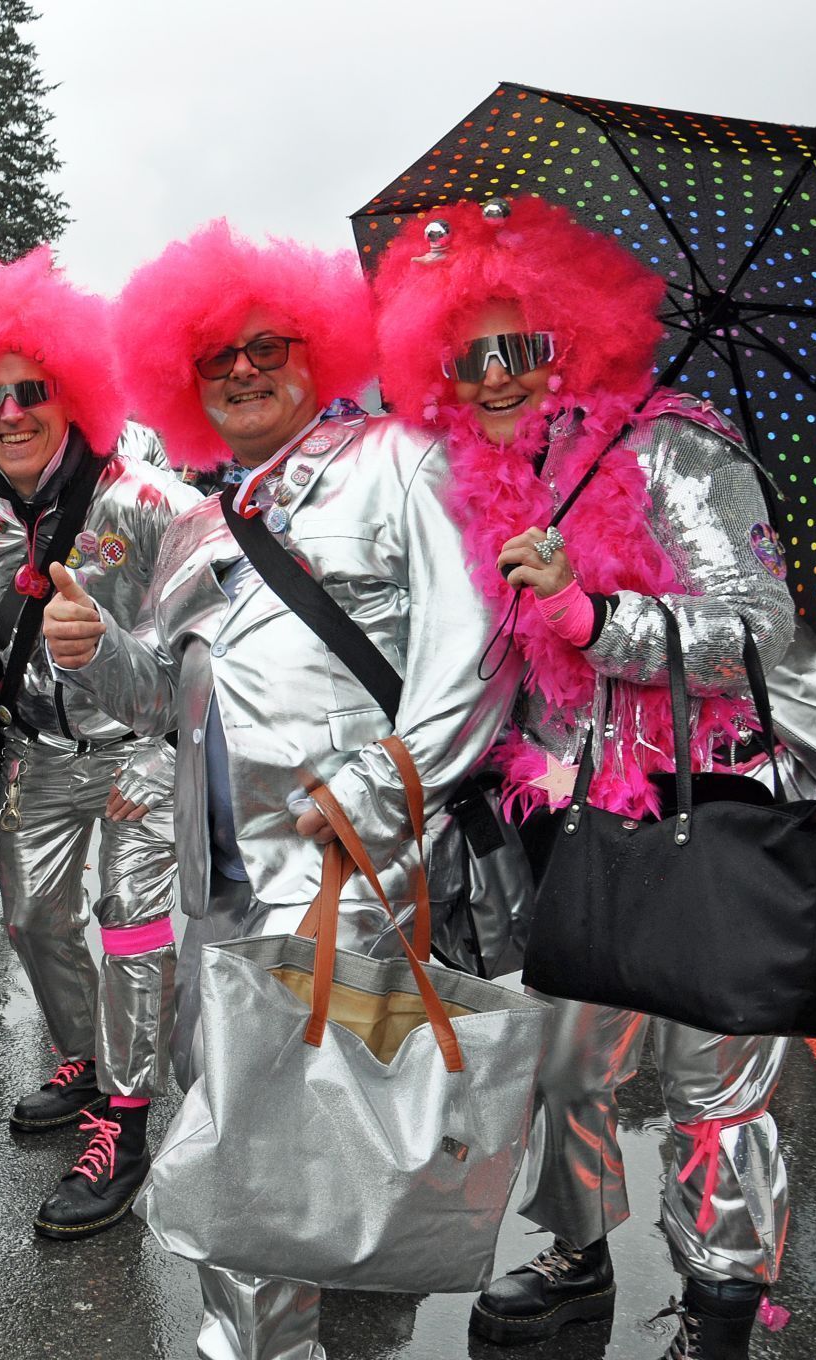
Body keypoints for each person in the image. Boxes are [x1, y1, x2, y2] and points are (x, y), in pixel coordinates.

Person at [371, 194, 816, 1360]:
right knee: (564, 1061)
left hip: (717, 811)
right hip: (580, 820)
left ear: (571, 337)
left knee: (716, 1091)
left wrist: (595, 613)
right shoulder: (494, 477)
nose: (495, 378)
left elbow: (758, 628)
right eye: (467, 362)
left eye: (518, 348)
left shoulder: (673, 446)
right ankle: (577, 1259)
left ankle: (716, 1311)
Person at [45, 219, 512, 1360]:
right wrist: (89, 648)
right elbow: (162, 700)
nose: (242, 369)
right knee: (263, 1154)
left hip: (353, 873)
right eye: (216, 356)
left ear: (321, 350)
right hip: (220, 885)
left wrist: (375, 790)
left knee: (318, 1153)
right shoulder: (204, 521)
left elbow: (477, 649)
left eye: (267, 346)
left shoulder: (398, 461)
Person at [0, 248, 200, 1238]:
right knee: (34, 923)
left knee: (130, 930)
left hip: (136, 753)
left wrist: (166, 753)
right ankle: (87, 1057)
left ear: (69, 389)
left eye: (29, 389)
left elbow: (203, 655)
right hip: (32, 754)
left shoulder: (150, 503)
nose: (8, 412)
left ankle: (123, 1121)